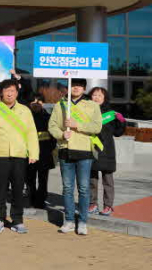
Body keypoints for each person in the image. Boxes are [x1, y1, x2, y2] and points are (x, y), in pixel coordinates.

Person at [0, 79, 39, 235]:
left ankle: (17, 220)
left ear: (17, 93)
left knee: (18, 189)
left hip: (19, 155)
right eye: (6, 91)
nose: (9, 94)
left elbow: (31, 133)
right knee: (0, 189)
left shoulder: (25, 110)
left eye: (12, 91)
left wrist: (33, 153)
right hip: (0, 154)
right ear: (1, 93)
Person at [48, 78, 102, 236]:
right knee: (67, 188)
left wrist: (77, 125)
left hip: (84, 151)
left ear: (84, 88)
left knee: (84, 188)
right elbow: (52, 125)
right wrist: (61, 134)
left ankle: (83, 221)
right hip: (66, 150)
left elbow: (97, 127)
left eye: (79, 86)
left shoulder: (92, 105)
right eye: (74, 85)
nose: (76, 88)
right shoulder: (60, 104)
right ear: (69, 87)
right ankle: (69, 220)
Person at [87, 87, 126, 216]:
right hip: (91, 149)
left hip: (107, 150)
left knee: (108, 180)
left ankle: (108, 206)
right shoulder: (86, 112)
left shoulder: (110, 114)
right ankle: (92, 204)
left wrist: (121, 121)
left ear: (105, 98)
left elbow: (118, 133)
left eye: (100, 95)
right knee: (91, 180)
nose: (96, 98)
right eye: (94, 95)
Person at [26, 93, 57, 209]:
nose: (36, 104)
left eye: (39, 101)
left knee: (43, 179)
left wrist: (50, 149)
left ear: (43, 103)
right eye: (33, 101)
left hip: (44, 152)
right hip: (29, 153)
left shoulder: (48, 117)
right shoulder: (25, 117)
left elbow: (53, 136)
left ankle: (41, 200)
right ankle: (31, 198)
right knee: (30, 178)